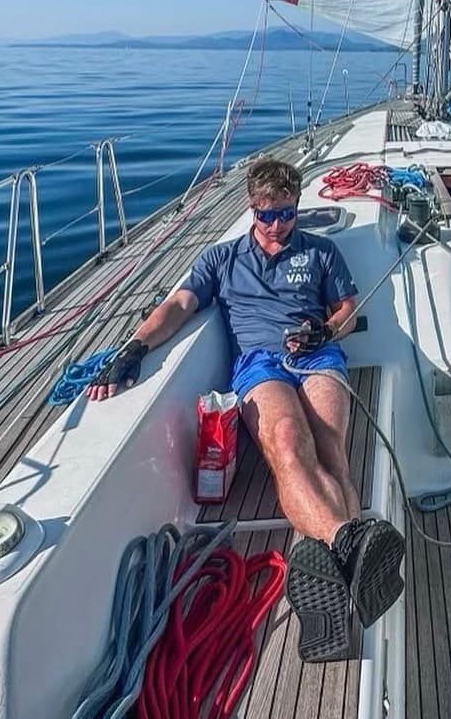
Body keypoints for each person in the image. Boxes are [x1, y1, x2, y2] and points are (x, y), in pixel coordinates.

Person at [86, 156, 403, 663]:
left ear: (297, 208)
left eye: (286, 214)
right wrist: (133, 348)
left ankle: (333, 577)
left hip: (318, 354)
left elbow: (346, 311)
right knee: (285, 443)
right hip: (260, 366)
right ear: (251, 209)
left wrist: (326, 330)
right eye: (266, 214)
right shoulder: (221, 258)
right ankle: (350, 543)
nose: (277, 226)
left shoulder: (321, 252)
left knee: (331, 449)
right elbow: (177, 307)